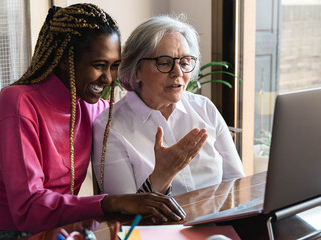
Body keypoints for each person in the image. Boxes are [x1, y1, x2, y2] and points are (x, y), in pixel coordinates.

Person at [0, 4, 185, 239]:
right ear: (65, 60)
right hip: (13, 233)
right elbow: (28, 209)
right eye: (99, 65)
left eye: (114, 66)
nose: (108, 78)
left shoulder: (94, 107)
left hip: (68, 230)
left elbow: (135, 111)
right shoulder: (17, 103)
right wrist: (109, 203)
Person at [93, 15, 245, 196]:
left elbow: (238, 184)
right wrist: (162, 175)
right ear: (136, 69)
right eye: (164, 63)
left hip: (219, 222)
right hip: (158, 225)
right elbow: (125, 215)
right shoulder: (110, 127)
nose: (178, 72)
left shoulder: (204, 108)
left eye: (185, 62)